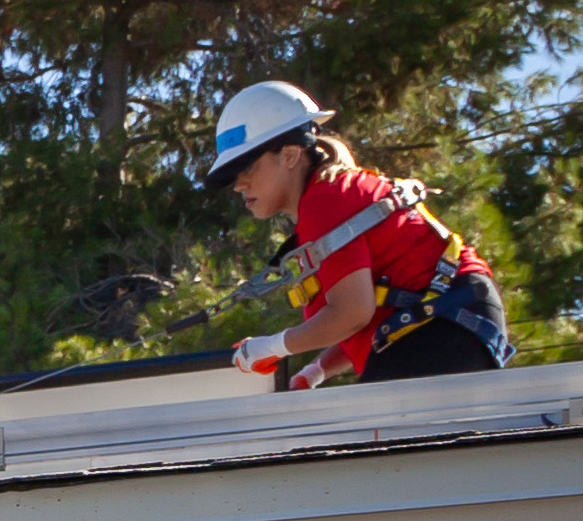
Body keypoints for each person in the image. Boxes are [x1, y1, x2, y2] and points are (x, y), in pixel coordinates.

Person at [205, 78, 509, 385]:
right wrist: (317, 371)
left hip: (444, 326)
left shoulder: (325, 201)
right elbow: (375, 313)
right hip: (453, 320)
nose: (239, 184)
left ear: (289, 155)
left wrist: (271, 347)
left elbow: (351, 313)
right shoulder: (331, 195)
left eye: (246, 167)